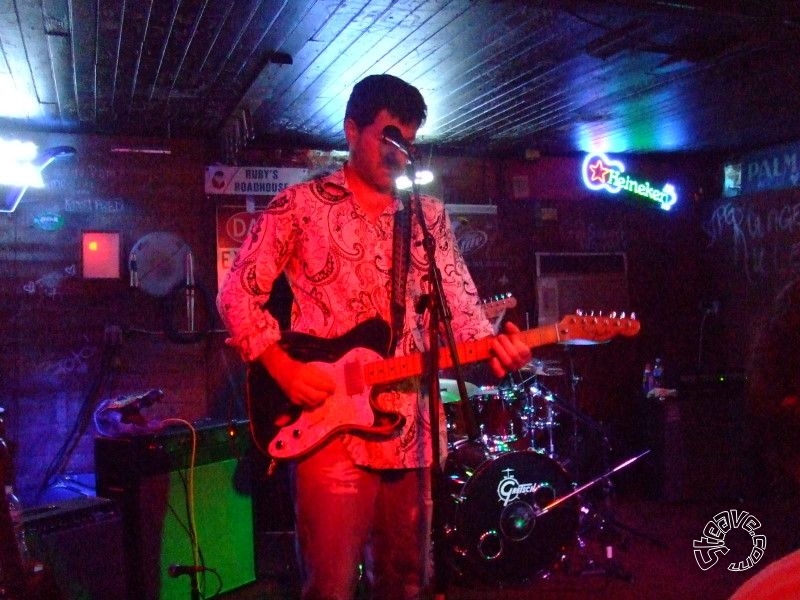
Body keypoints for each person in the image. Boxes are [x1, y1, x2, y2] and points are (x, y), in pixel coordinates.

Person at [217, 73, 531, 600]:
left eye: (406, 141)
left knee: (407, 581)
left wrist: (496, 354)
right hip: (327, 427)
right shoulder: (300, 205)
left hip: (412, 433)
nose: (398, 152)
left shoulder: (427, 216)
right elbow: (236, 294)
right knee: (331, 584)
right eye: (388, 136)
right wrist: (283, 367)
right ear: (351, 130)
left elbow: (464, 316)